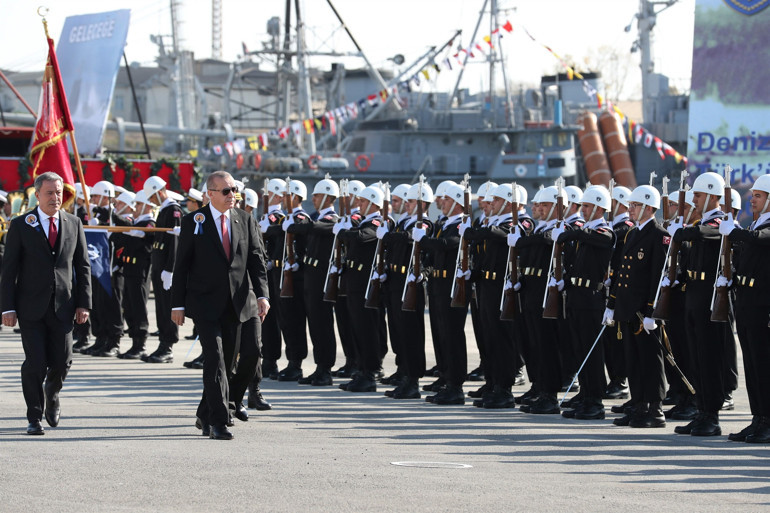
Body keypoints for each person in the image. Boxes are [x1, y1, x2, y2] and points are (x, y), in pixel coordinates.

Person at [171, 170, 270, 440]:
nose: (232, 195)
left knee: (239, 358)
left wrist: (262, 295)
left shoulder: (244, 219)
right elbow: (182, 266)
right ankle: (218, 421)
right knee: (214, 359)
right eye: (226, 191)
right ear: (210, 194)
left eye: (234, 190)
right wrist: (176, 304)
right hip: (206, 302)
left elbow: (255, 260)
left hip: (238, 301)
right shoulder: (195, 221)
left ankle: (212, 409)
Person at [0, 172, 91, 435]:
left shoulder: (73, 223)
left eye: (59, 192)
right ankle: (34, 417)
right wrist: (7, 307)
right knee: (36, 363)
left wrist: (84, 303)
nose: (55, 197)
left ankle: (52, 391)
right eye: (50, 193)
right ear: (37, 195)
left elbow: (82, 267)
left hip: (64, 306)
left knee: (63, 362)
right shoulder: (21, 225)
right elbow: (9, 271)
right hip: (30, 307)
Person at [605, 184, 668, 429]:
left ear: (649, 207)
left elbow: (658, 277)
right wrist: (613, 303)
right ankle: (640, 404)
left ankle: (655, 408)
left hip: (645, 311)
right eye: (630, 205)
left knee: (651, 360)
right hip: (629, 309)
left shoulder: (658, 234)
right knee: (634, 360)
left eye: (635, 205)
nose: (630, 209)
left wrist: (653, 311)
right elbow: (622, 272)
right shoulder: (632, 233)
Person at [721, 174, 770, 443]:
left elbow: (761, 239)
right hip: (748, 305)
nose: (752, 199)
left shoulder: (762, 229)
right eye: (753, 195)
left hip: (763, 307)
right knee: (752, 366)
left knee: (763, 366)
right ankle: (758, 418)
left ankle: (768, 421)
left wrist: (737, 233)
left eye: (759, 196)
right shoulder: (755, 225)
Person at [143, 176, 183, 363]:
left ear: (159, 192)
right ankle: (162, 343)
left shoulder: (173, 211)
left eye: (152, 197)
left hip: (167, 269)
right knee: (160, 307)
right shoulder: (164, 210)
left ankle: (168, 346)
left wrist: (170, 269)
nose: (151, 201)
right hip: (160, 267)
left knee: (168, 307)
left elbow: (174, 242)